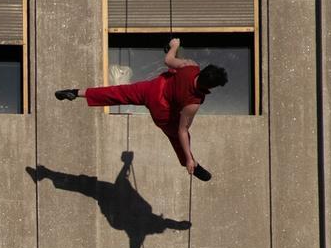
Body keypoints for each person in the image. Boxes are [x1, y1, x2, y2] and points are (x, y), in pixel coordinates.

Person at [53, 38, 226, 181]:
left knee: (118, 92)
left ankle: (76, 92)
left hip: (152, 89)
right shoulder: (193, 103)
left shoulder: (190, 65)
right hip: (162, 110)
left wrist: (173, 46)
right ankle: (191, 164)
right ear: (211, 87)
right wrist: (188, 158)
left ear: (203, 71)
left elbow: (168, 60)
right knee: (180, 136)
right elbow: (182, 130)